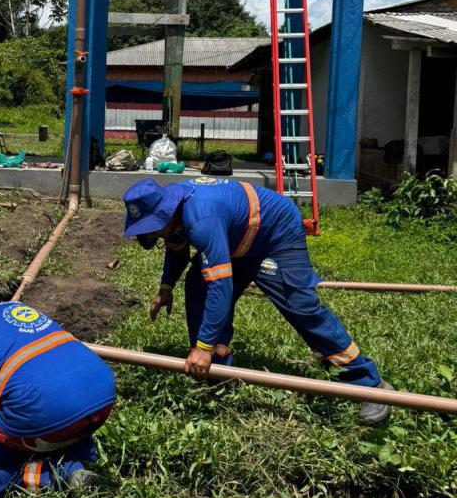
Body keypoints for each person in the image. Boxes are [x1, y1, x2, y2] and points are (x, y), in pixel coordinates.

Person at [122, 177, 393, 425]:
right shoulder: (174, 211)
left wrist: (202, 346)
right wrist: (166, 287)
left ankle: (368, 383)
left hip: (274, 233)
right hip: (236, 237)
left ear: (165, 213)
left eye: (154, 227)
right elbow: (176, 249)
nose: (153, 234)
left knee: (300, 305)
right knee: (197, 285)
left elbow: (221, 285)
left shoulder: (201, 219)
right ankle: (217, 370)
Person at [0, 275, 116, 496]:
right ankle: (81, 457)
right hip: (103, 395)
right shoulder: (16, 307)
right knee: (52, 418)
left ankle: (57, 476)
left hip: (44, 411)